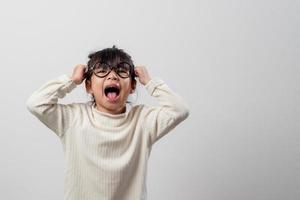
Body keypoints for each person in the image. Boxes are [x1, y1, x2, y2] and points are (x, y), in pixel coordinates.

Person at [26, 46, 189, 200]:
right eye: (102, 71)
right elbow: (36, 103)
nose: (112, 76)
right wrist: (72, 80)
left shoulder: (143, 121)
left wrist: (150, 82)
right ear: (89, 86)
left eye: (121, 71)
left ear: (132, 86)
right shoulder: (73, 118)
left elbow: (179, 110)